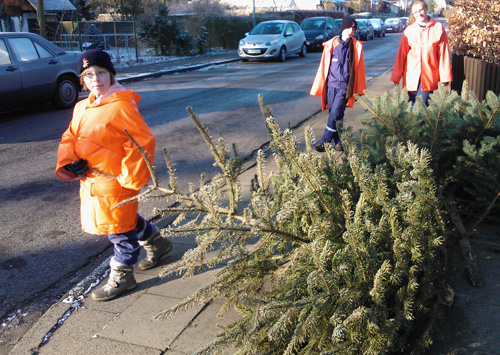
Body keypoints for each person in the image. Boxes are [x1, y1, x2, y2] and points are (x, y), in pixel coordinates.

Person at [56, 49, 172, 302]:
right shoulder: (81, 107)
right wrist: (69, 160)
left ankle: (123, 277)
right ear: (82, 80)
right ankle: (157, 243)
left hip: (115, 181)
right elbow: (70, 136)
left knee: (118, 230)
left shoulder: (120, 105)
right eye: (88, 75)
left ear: (110, 74)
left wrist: (128, 178)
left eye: (101, 73)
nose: (95, 79)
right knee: (123, 219)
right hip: (91, 180)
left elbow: (142, 141)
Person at [310, 16, 366, 152]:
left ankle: (325, 141)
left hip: (345, 87)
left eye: (353, 29)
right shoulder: (331, 44)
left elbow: (360, 69)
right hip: (331, 85)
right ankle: (339, 142)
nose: (350, 31)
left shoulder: (355, 46)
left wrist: (358, 88)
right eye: (348, 28)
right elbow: (324, 66)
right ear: (342, 29)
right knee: (336, 115)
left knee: (335, 113)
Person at [391, 0, 452, 105]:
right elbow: (401, 56)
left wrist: (445, 77)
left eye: (421, 10)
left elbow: (443, 54)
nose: (419, 14)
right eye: (415, 12)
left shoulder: (438, 28)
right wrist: (396, 76)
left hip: (428, 77)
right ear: (413, 14)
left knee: (420, 108)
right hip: (411, 78)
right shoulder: (409, 31)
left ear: (426, 9)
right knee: (412, 111)